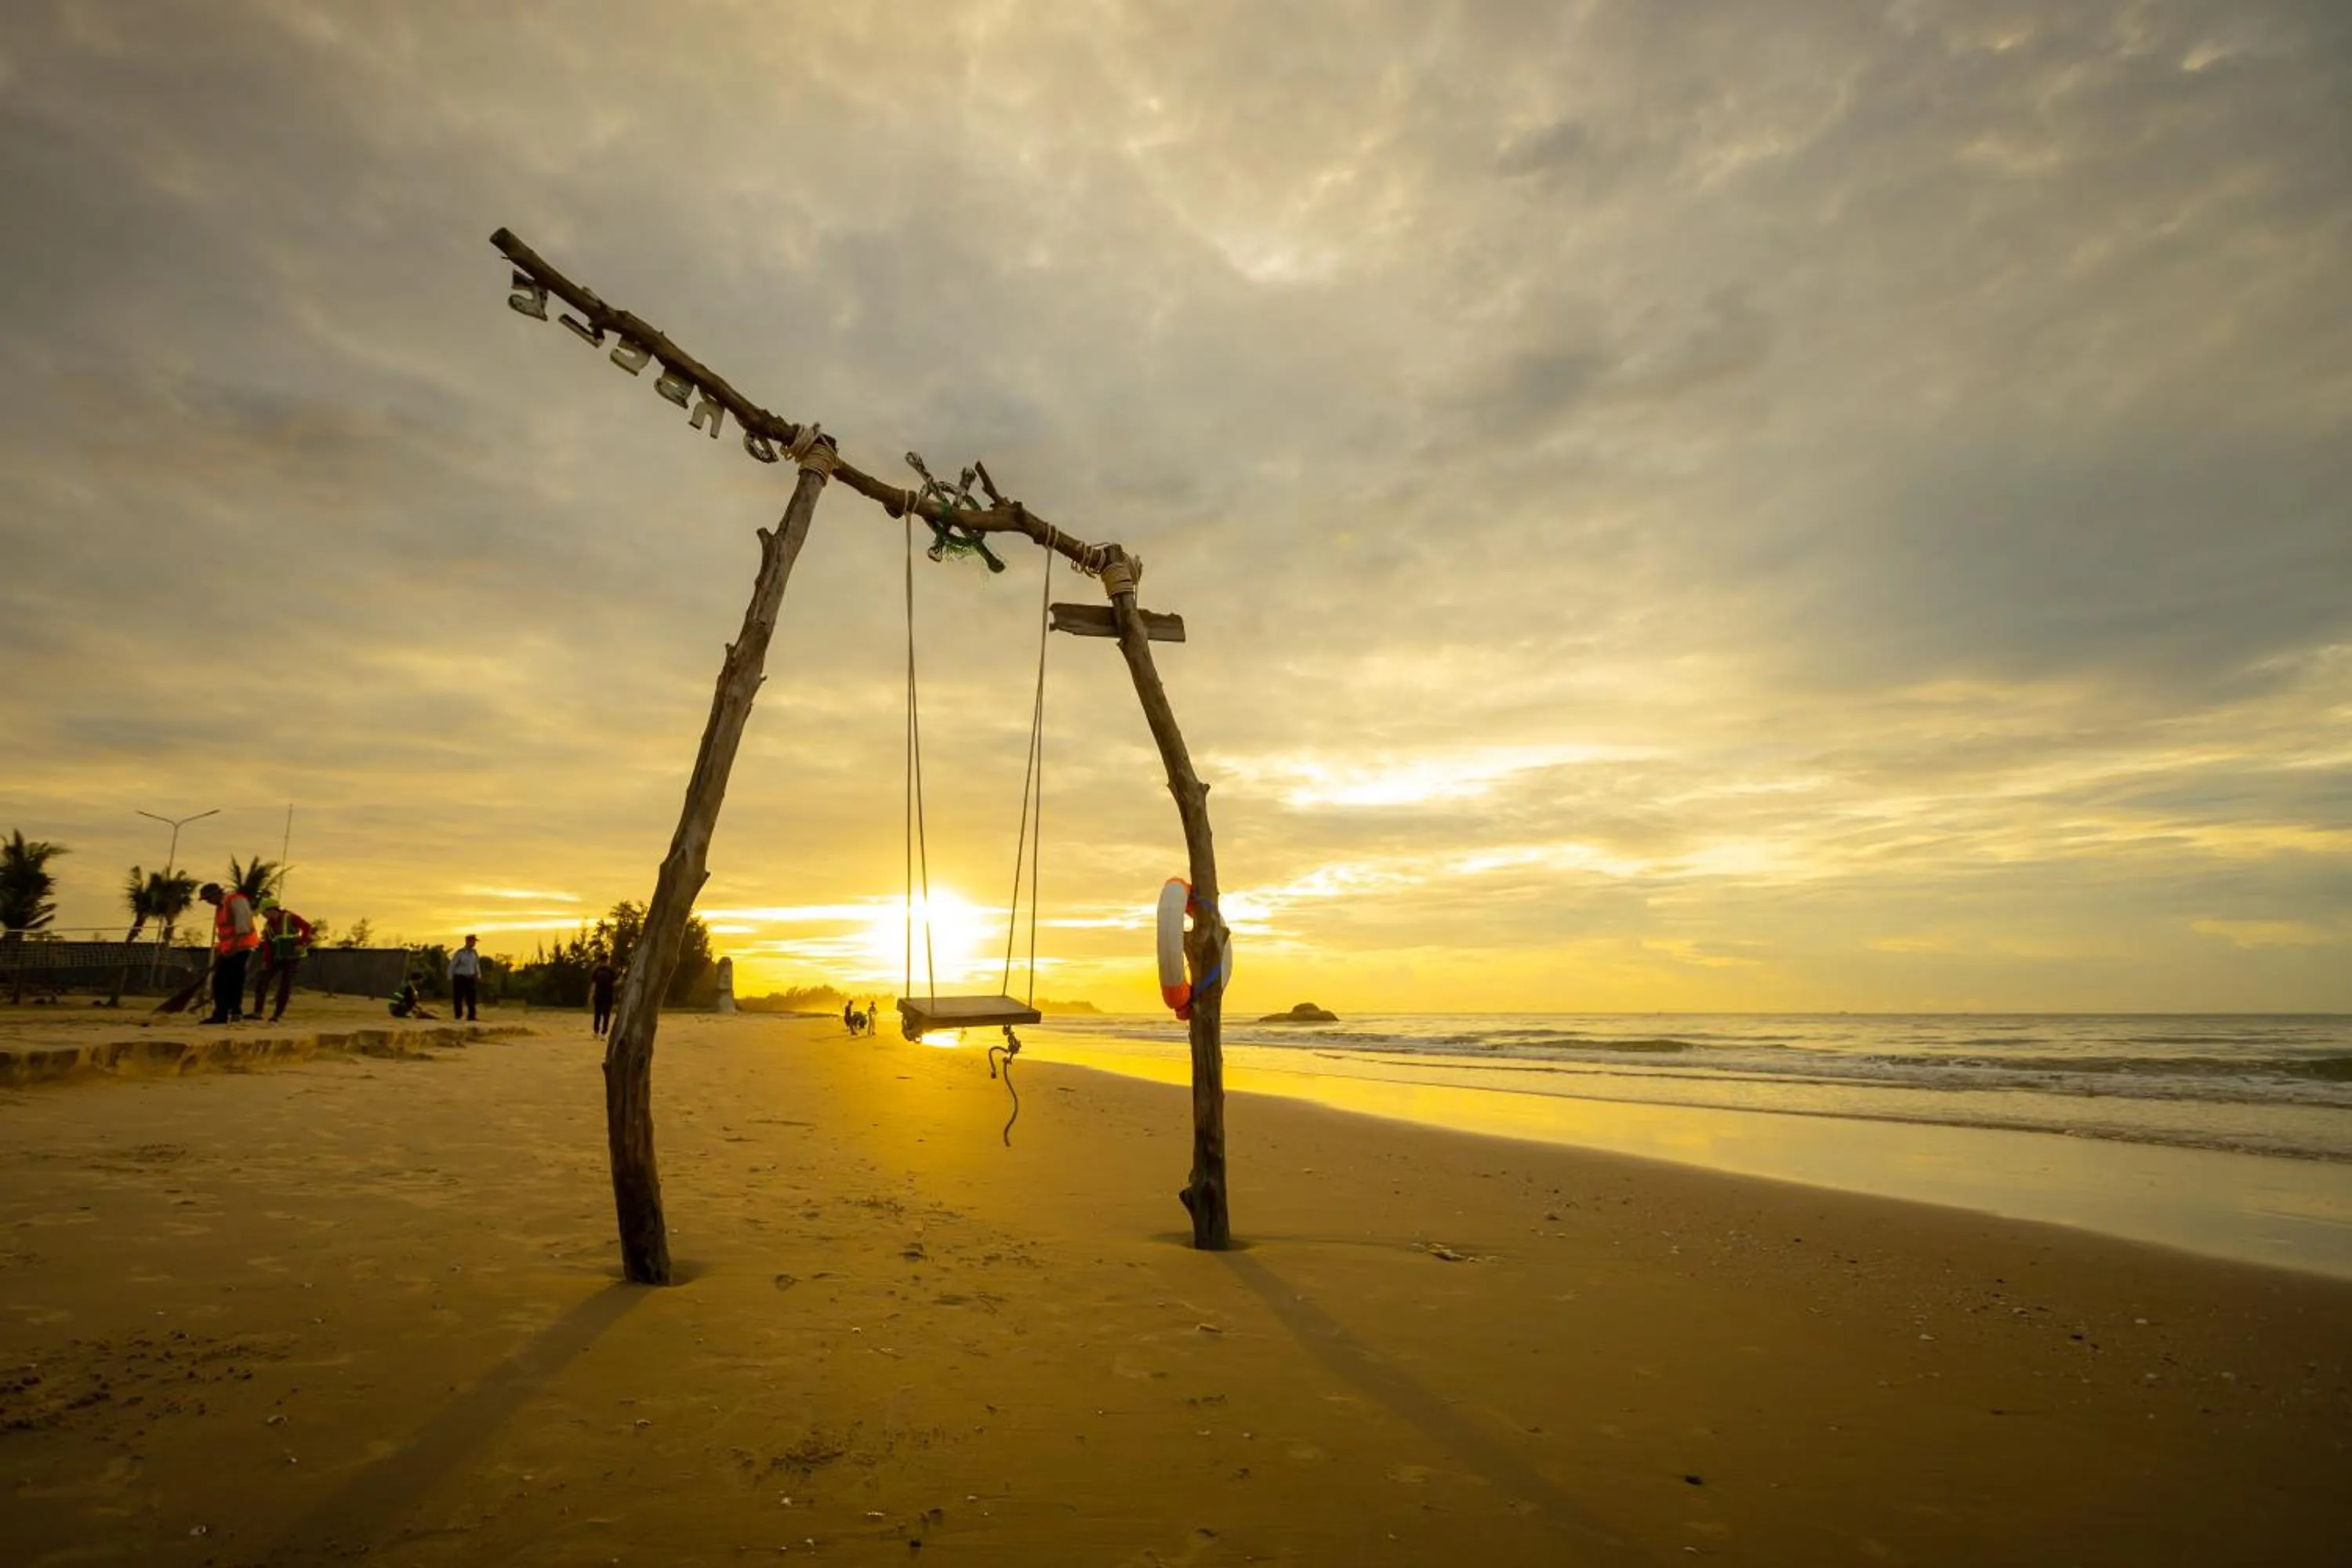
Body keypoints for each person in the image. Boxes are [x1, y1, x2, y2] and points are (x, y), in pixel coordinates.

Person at [198, 882, 261, 1025]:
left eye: (208, 899)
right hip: (230, 949)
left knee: (223, 981)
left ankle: (222, 1014)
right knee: (231, 981)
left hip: (241, 947)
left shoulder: (236, 901)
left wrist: (233, 948)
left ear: (216, 895)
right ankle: (234, 1012)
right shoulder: (222, 906)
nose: (208, 903)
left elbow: (243, 927)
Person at [249, 897, 314, 1025]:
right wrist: (266, 961)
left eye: (264, 913)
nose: (264, 916)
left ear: (272, 910)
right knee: (262, 981)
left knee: (285, 985)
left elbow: (307, 928)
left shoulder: (290, 918)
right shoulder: (268, 926)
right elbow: (268, 945)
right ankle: (257, 1012)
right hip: (276, 957)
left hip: (292, 957)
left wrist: (302, 943)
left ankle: (277, 1015)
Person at [448, 934, 482, 1022]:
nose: (474, 943)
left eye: (474, 941)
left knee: (471, 997)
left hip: (470, 977)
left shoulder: (474, 953)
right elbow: (453, 964)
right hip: (460, 977)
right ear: (468, 941)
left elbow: (476, 965)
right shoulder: (460, 953)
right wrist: (450, 975)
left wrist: (478, 975)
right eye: (473, 941)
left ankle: (471, 1016)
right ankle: (458, 1015)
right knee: (458, 997)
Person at [590, 956, 619, 1035]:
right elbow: (615, 983)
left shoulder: (596, 971)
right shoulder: (611, 971)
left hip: (598, 995)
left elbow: (594, 984)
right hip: (608, 995)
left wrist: (592, 995)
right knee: (606, 1015)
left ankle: (596, 1031)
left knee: (597, 1014)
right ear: (607, 961)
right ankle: (604, 1032)